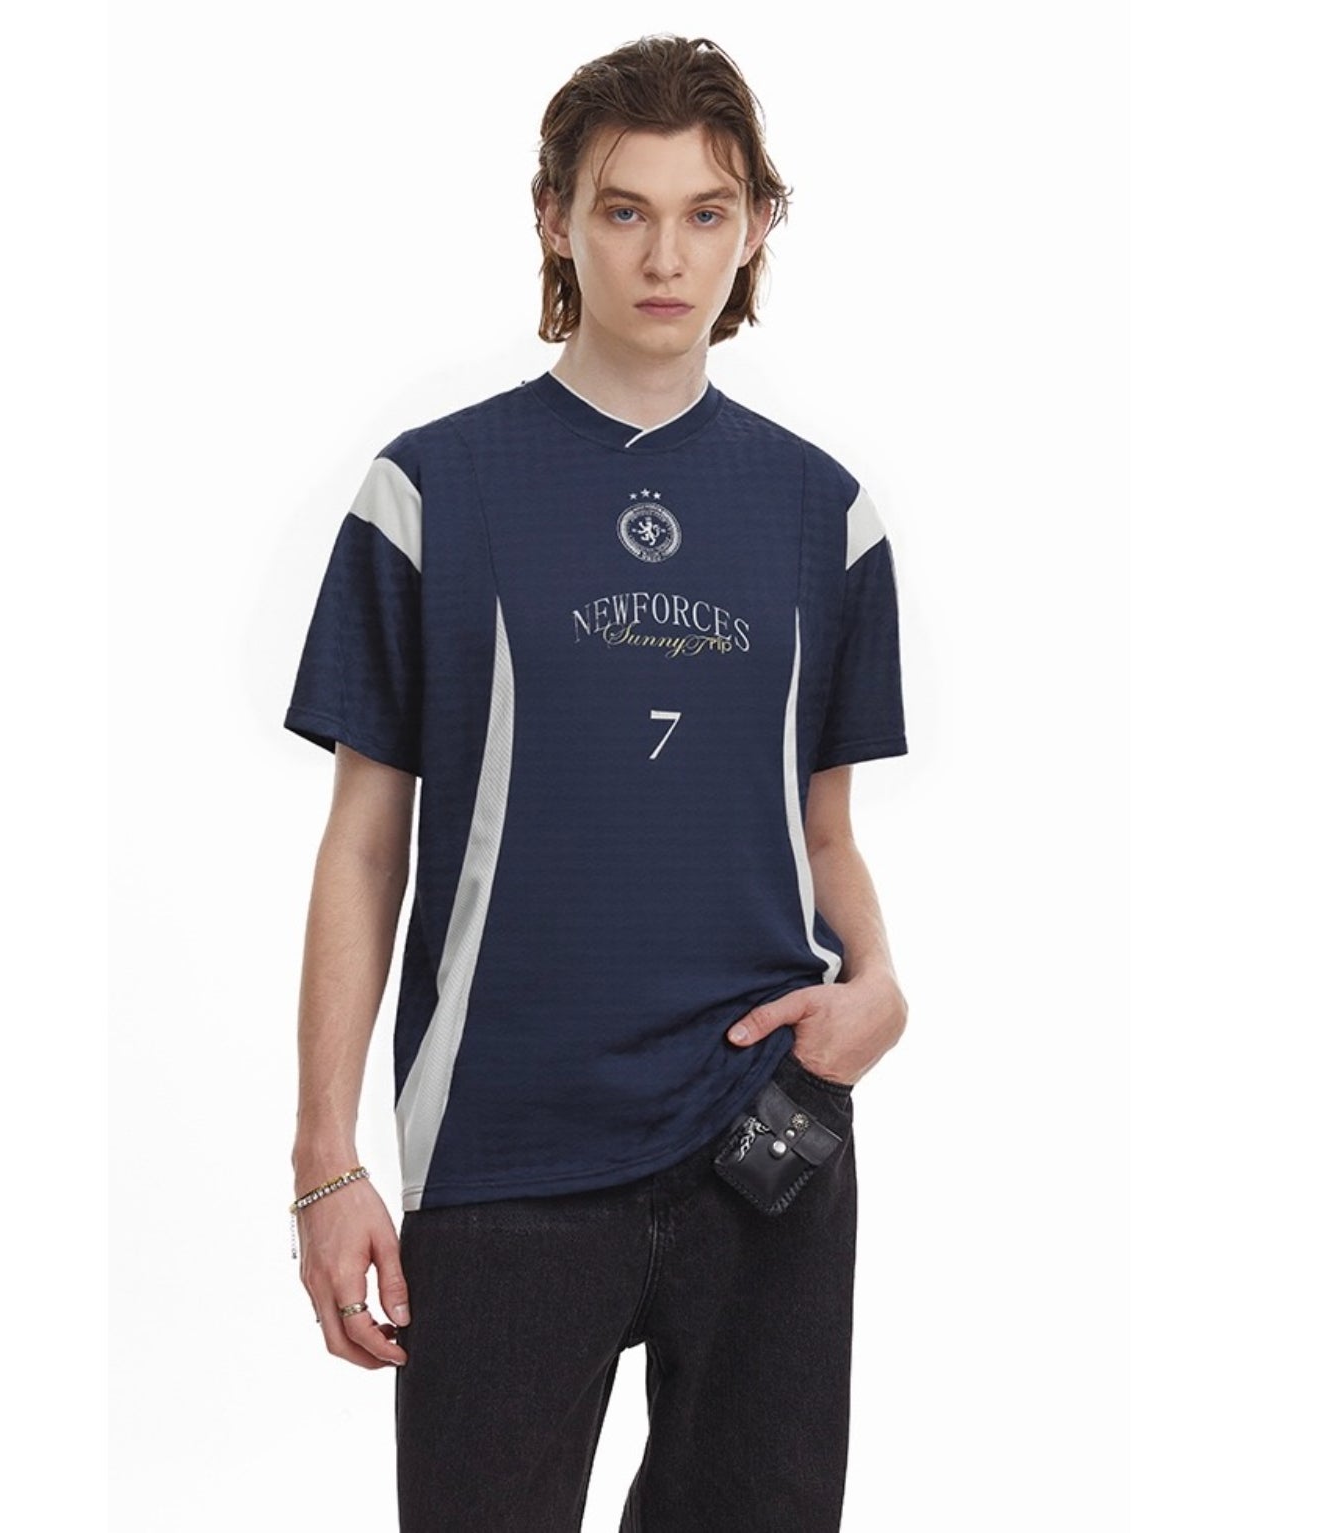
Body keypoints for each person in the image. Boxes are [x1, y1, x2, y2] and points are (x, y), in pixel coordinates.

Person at [283, 33, 911, 1531]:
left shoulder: (822, 513)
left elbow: (822, 827)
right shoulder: (432, 491)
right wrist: (323, 1161)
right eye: (624, 209)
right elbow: (364, 843)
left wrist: (876, 989)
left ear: (755, 225)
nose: (664, 255)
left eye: (705, 212)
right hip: (506, 1145)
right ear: (556, 218)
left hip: (764, 1132)